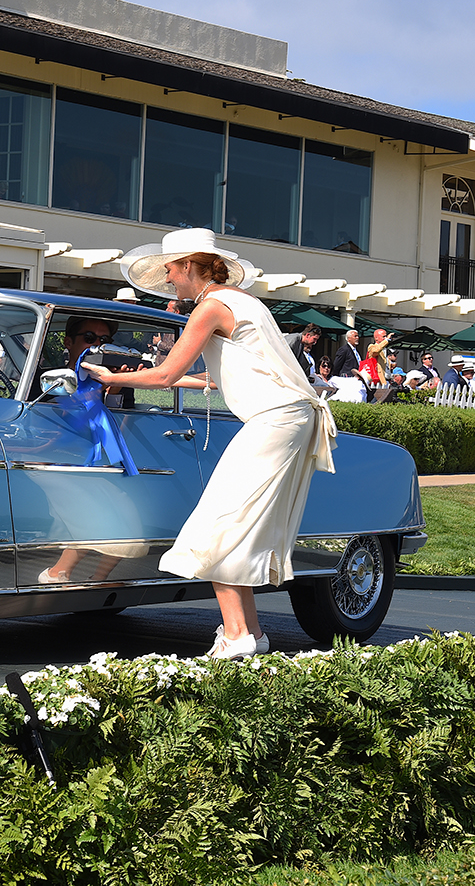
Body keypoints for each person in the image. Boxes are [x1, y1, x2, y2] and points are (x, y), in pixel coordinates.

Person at [81, 228, 336, 660]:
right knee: (235, 524)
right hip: (289, 418)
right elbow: (222, 374)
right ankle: (249, 633)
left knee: (217, 524)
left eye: (170, 270)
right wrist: (185, 379)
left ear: (189, 266)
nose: (167, 279)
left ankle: (237, 636)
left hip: (275, 420)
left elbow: (162, 375)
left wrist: (109, 377)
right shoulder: (243, 303)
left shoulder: (212, 307)